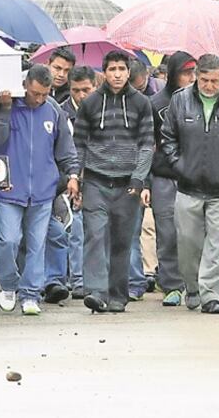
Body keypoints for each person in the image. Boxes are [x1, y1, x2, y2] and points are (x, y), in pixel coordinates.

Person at [159, 54, 219, 314]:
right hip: (188, 184)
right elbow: (167, 137)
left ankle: (211, 295)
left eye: (214, 81)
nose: (209, 85)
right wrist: (179, 165)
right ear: (196, 77)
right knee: (188, 241)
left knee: (216, 241)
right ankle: (192, 286)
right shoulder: (180, 100)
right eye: (204, 80)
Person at [0, 66, 79, 316]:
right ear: (26, 84)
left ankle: (30, 293)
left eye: (44, 94)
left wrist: (72, 174)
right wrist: (4, 109)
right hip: (9, 188)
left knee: (38, 245)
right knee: (9, 240)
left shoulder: (53, 110)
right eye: (35, 93)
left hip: (42, 189)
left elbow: (65, 149)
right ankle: (8, 285)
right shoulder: (8, 103)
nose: (39, 99)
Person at [73, 51, 155, 313]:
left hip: (127, 182)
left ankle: (118, 294)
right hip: (96, 179)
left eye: (121, 69)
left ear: (129, 72)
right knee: (95, 235)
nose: (117, 74)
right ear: (104, 72)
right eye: (112, 69)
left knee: (122, 239)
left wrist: (139, 179)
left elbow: (146, 145)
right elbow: (79, 145)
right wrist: (75, 175)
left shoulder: (142, 104)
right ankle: (96, 292)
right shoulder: (91, 103)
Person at [148, 53, 195, 306]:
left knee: (193, 233)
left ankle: (194, 284)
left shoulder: (201, 102)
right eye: (185, 72)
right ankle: (171, 285)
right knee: (167, 233)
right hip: (164, 176)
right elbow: (147, 144)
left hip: (195, 176)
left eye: (193, 72)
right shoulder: (156, 104)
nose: (190, 78)